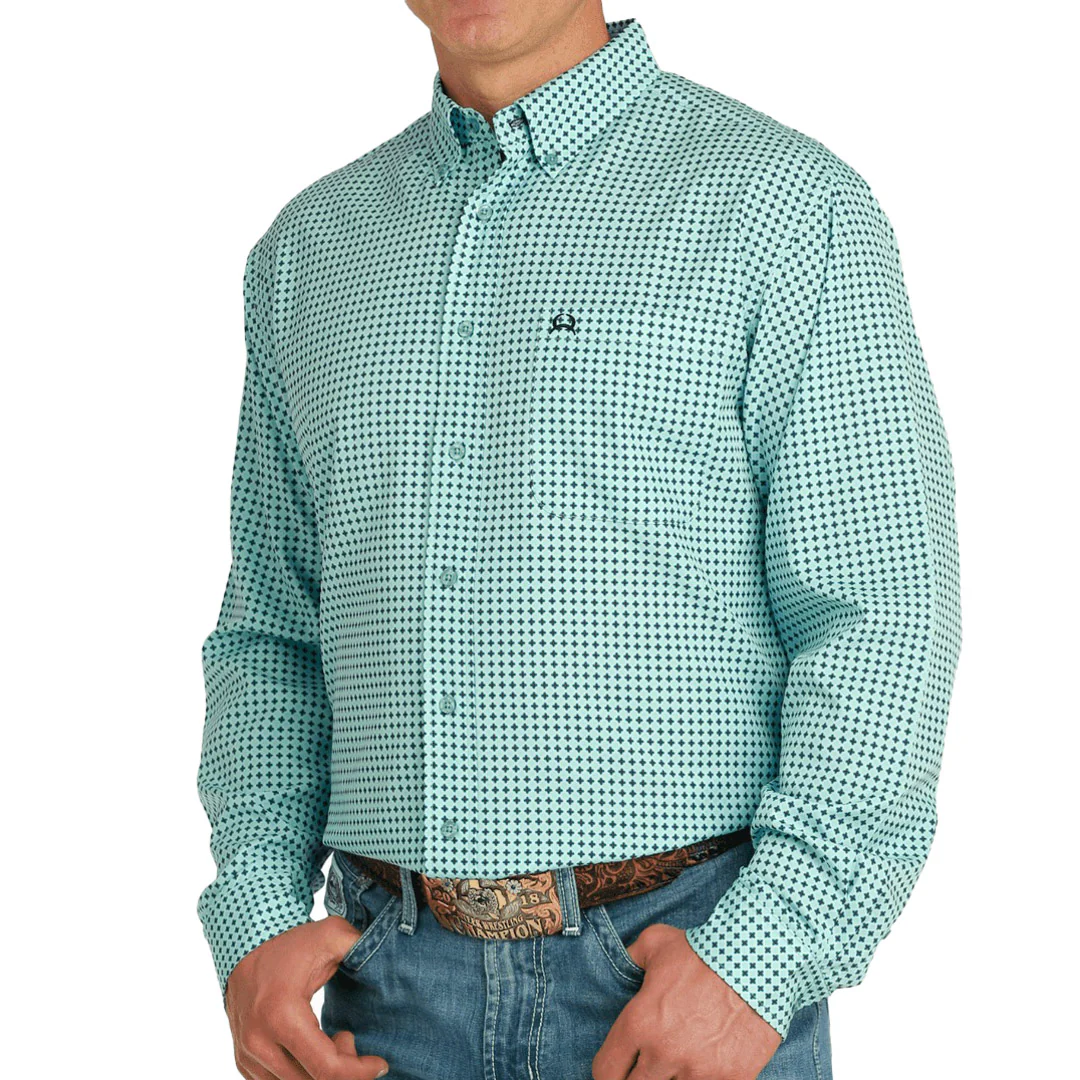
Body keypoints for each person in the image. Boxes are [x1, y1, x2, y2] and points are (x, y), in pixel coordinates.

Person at [196, 4, 962, 1079]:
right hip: (376, 1004)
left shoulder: (782, 205)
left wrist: (762, 956)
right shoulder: (309, 251)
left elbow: (879, 612)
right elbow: (274, 633)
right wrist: (255, 917)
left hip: (679, 977)